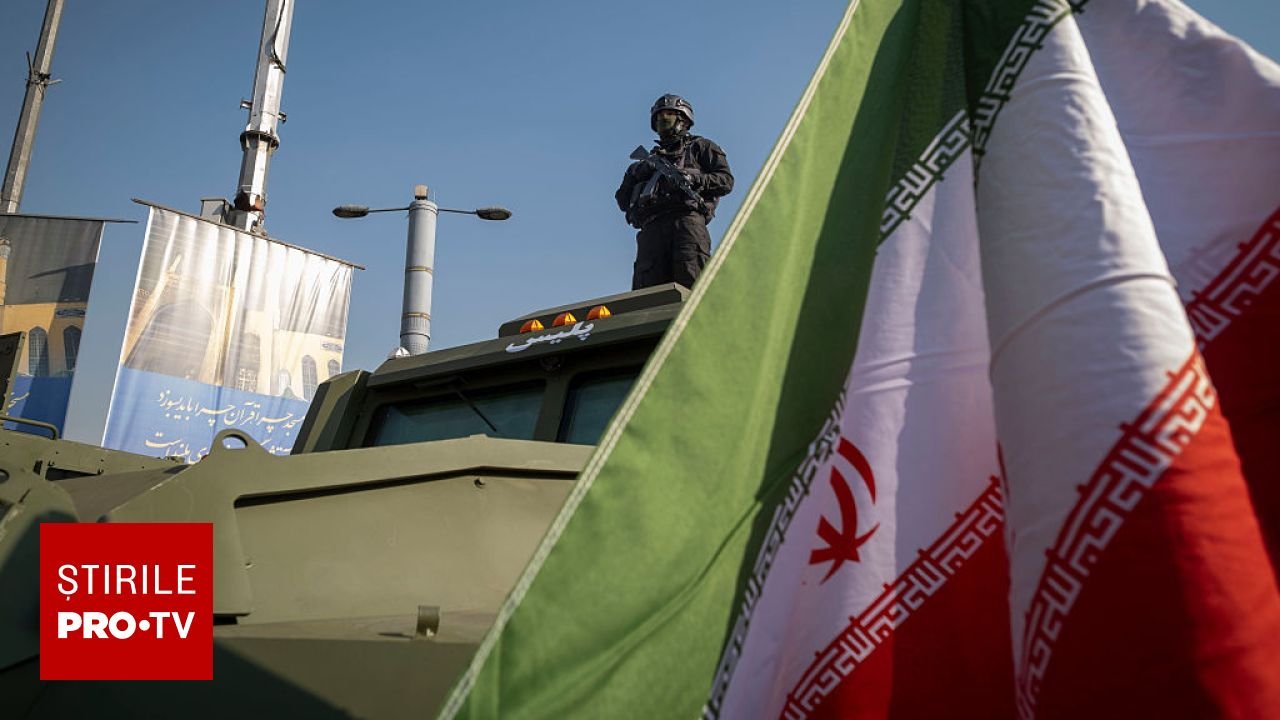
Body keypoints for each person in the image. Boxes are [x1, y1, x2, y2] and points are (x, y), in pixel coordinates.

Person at [615, 94, 733, 290]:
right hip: (651, 228)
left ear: (683, 120)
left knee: (692, 285)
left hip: (687, 223)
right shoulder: (645, 162)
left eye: (669, 113)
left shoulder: (701, 147)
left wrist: (694, 179)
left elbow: (726, 181)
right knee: (648, 295)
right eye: (659, 116)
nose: (663, 118)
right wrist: (638, 172)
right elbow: (622, 200)